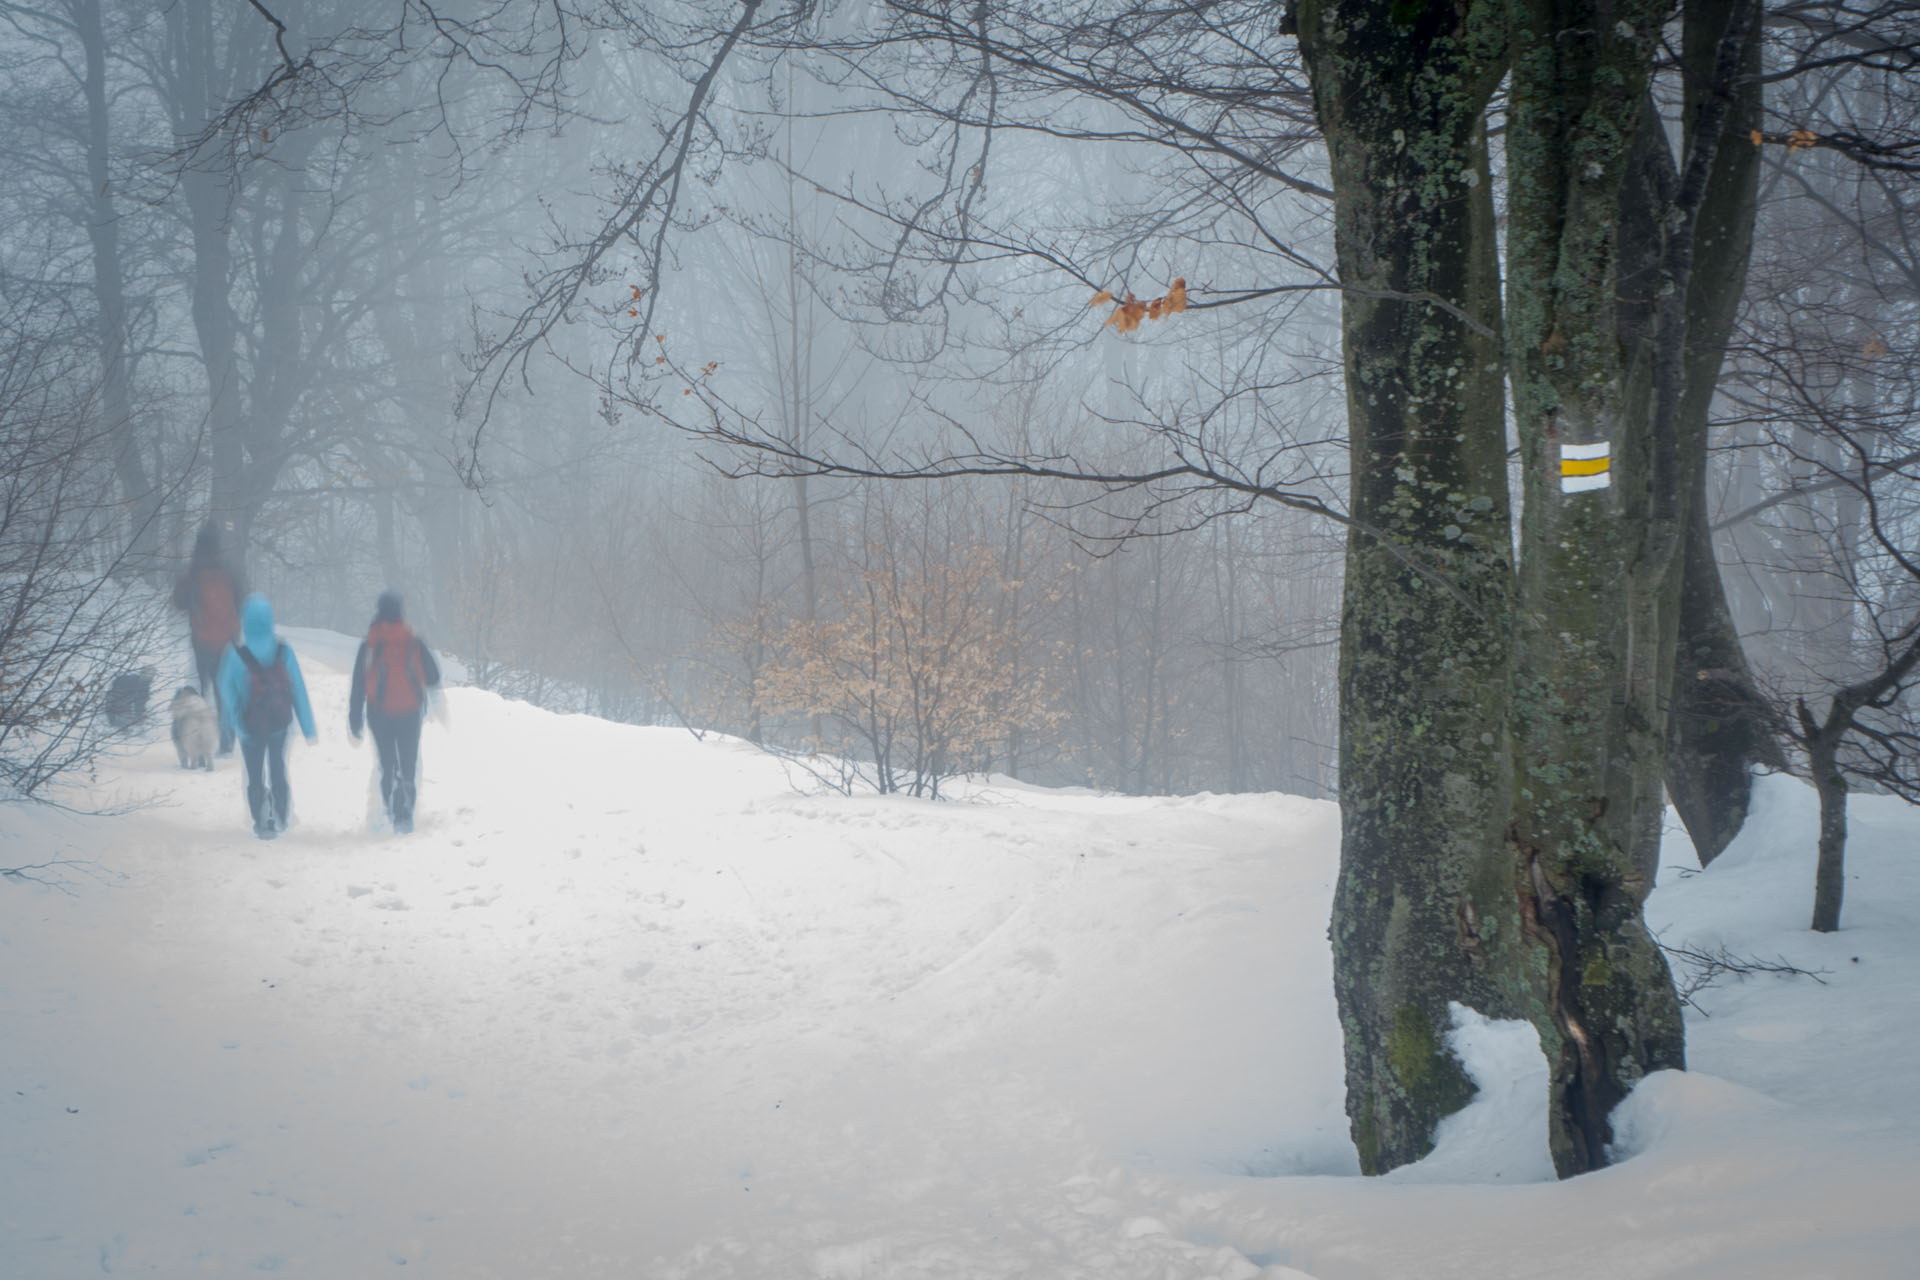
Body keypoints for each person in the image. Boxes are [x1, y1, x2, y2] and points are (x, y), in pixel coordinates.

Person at [217, 594, 317, 839]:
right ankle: (281, 817)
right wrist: (308, 726)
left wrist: (233, 726)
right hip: (279, 725)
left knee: (254, 775)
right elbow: (298, 689)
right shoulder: (283, 650)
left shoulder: (235, 654)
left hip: (249, 726)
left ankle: (260, 821)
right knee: (278, 769)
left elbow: (226, 691)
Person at [348, 592, 442, 834]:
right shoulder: (413, 640)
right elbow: (433, 675)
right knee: (407, 763)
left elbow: (359, 683)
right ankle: (404, 814)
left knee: (387, 762)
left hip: (379, 714)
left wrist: (355, 716)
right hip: (410, 712)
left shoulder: (369, 644)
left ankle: (390, 806)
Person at [171, 523, 244, 754]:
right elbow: (242, 601)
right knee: (225, 693)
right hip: (228, 643)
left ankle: (196, 741)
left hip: (202, 641)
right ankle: (226, 740)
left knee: (201, 694)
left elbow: (179, 603)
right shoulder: (229, 571)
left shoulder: (194, 572)